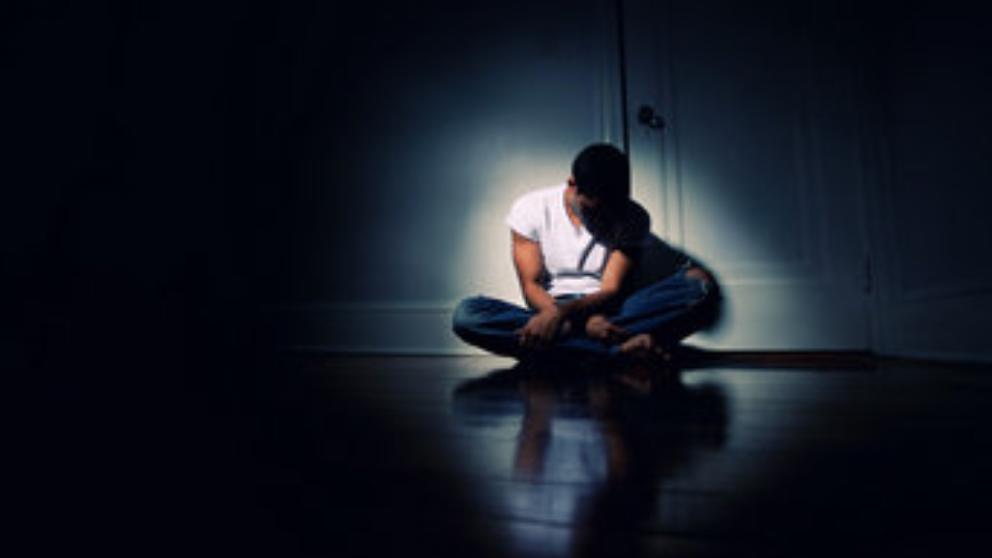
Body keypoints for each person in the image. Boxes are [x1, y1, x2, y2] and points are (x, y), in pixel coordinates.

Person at [452, 143, 719, 363]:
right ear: (572, 184)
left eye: (614, 208)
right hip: (550, 306)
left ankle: (567, 353)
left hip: (609, 309)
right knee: (468, 315)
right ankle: (616, 352)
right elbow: (531, 286)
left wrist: (581, 318)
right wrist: (561, 317)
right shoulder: (530, 209)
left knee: (698, 285)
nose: (605, 218)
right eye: (595, 209)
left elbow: (611, 289)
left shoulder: (633, 216)